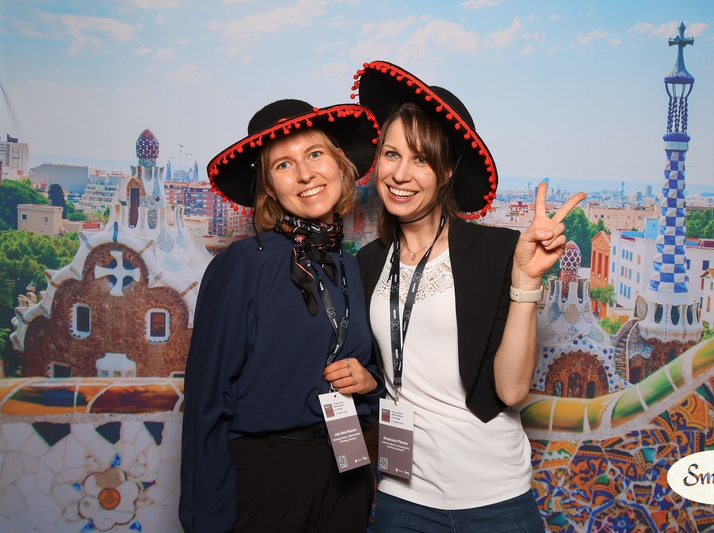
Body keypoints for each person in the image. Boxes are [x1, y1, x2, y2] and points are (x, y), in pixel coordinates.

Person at [353, 61, 586, 532]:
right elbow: (388, 369)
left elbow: (512, 391)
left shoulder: (498, 251)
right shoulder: (368, 263)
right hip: (402, 496)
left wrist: (526, 280)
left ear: (446, 172)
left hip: (494, 498)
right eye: (392, 154)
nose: (400, 174)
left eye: (421, 160)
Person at [179, 99, 385, 533]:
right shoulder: (244, 264)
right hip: (270, 477)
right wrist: (208, 522)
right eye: (284, 165)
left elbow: (361, 372)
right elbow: (206, 403)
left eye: (315, 154)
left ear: (339, 164)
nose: (305, 174)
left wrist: (367, 382)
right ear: (270, 188)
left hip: (348, 472)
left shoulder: (350, 266)